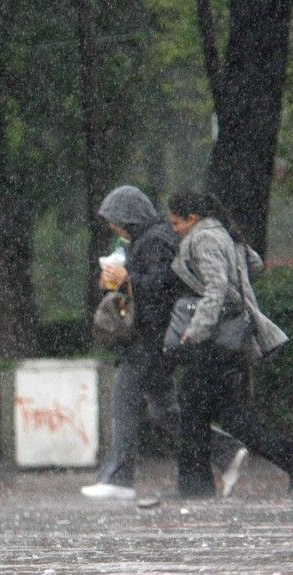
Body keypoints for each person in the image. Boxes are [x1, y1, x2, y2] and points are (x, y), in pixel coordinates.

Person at [81, 186, 249, 501]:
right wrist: (118, 282)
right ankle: (226, 452)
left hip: (150, 341)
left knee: (124, 403)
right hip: (150, 341)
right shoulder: (141, 241)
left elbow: (160, 289)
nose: (112, 227)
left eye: (115, 220)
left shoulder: (155, 240)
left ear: (128, 218)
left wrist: (127, 279)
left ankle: (119, 477)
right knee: (164, 411)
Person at [166, 190, 293, 498]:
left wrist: (194, 331)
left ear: (192, 218)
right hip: (228, 340)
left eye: (176, 223)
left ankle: (196, 487)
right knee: (219, 411)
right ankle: (285, 456)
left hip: (214, 341)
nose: (174, 229)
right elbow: (254, 265)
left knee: (196, 409)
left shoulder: (203, 239)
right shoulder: (224, 233)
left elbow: (215, 288)